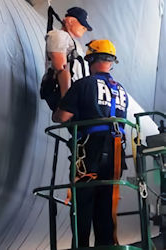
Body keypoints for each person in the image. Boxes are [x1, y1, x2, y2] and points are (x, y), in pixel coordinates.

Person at [52, 39, 128, 247]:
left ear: (91, 59)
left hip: (89, 151)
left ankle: (81, 246)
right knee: (106, 207)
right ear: (111, 62)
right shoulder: (122, 91)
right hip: (116, 153)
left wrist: (61, 100)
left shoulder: (84, 85)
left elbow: (62, 117)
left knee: (83, 204)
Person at [40, 7, 92, 111]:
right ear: (70, 21)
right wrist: (67, 102)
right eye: (82, 25)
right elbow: (60, 68)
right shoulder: (59, 35)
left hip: (76, 93)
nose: (84, 29)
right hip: (65, 92)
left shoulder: (73, 42)